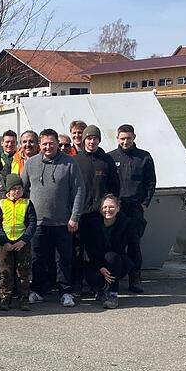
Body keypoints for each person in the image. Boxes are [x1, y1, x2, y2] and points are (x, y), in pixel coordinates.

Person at [21, 128, 84, 308]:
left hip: (63, 222)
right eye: (44, 144)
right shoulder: (31, 163)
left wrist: (74, 217)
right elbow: (22, 189)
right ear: (39, 145)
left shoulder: (69, 164)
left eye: (51, 143)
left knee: (63, 258)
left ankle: (65, 292)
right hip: (38, 222)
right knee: (38, 258)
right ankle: (39, 290)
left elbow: (79, 191)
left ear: (57, 144)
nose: (48, 147)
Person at [108, 124, 156, 293]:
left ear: (134, 137)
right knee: (115, 245)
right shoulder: (110, 157)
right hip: (116, 210)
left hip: (135, 209)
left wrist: (145, 203)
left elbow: (151, 182)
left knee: (134, 245)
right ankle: (114, 279)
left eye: (128, 138)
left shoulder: (144, 157)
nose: (125, 141)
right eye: (122, 139)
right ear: (117, 139)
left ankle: (135, 279)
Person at [73, 125, 121, 292]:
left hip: (99, 215)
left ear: (99, 140)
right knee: (78, 250)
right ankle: (77, 282)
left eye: (95, 138)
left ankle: (98, 284)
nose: (91, 141)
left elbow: (115, 186)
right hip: (80, 214)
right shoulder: (76, 160)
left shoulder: (106, 160)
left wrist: (110, 209)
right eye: (89, 138)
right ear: (83, 140)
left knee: (98, 250)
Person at [81, 194, 140, 309]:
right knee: (91, 274)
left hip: (117, 261)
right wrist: (100, 267)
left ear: (118, 208)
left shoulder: (126, 223)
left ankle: (113, 294)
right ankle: (100, 289)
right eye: (104, 207)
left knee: (112, 257)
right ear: (100, 209)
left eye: (111, 207)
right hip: (97, 261)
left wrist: (133, 268)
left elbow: (132, 247)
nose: (107, 210)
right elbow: (90, 248)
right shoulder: (92, 224)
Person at [0, 175, 37, 311]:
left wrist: (24, 240)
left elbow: (32, 223)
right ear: (8, 190)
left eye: (19, 188)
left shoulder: (27, 203)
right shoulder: (1, 204)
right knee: (5, 271)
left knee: (22, 271)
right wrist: (3, 241)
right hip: (5, 243)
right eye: (14, 189)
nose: (17, 191)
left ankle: (23, 298)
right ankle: (5, 298)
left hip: (22, 243)